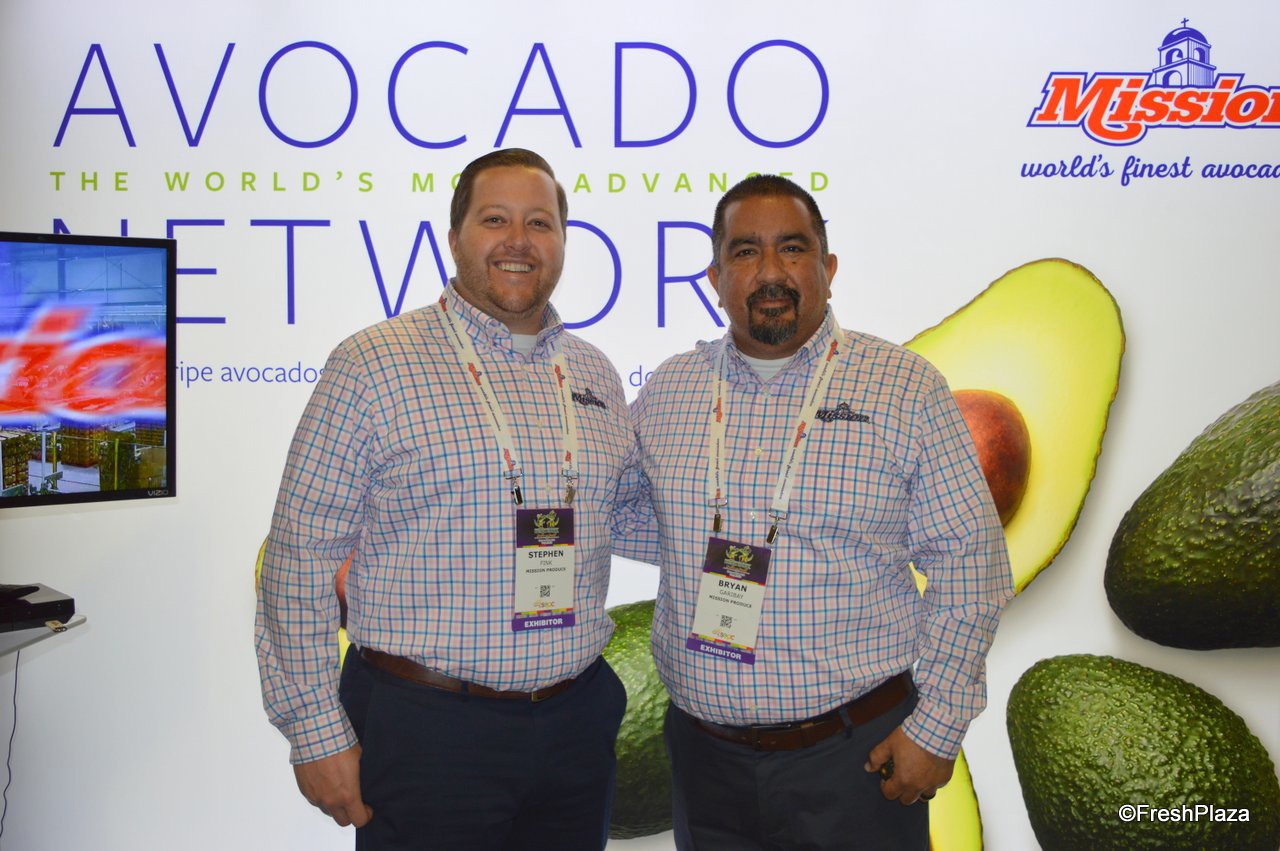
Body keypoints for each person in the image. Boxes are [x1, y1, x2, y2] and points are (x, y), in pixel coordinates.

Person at [255, 148, 654, 850]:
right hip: (427, 729)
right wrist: (314, 731)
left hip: (575, 723)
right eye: (495, 219)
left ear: (563, 240)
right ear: (454, 236)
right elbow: (299, 555)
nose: (518, 240)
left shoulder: (593, 372)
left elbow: (621, 514)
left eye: (540, 222)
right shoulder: (373, 364)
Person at [627, 174, 1014, 850]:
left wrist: (937, 728)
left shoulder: (903, 388)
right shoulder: (669, 390)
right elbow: (627, 510)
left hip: (854, 760)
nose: (769, 272)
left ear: (828, 269)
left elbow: (971, 564)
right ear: (715, 278)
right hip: (704, 763)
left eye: (792, 248)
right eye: (745, 252)